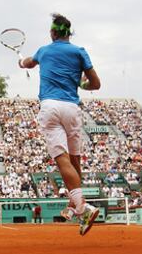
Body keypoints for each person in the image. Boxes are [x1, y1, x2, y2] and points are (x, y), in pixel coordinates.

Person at [19, 13, 101, 236]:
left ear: (52, 32)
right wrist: (81, 84)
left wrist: (20, 61)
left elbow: (26, 63)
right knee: (75, 160)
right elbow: (96, 83)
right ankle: (76, 207)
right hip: (72, 108)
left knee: (62, 160)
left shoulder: (44, 51)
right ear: (69, 33)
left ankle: (83, 207)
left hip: (50, 107)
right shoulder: (79, 51)